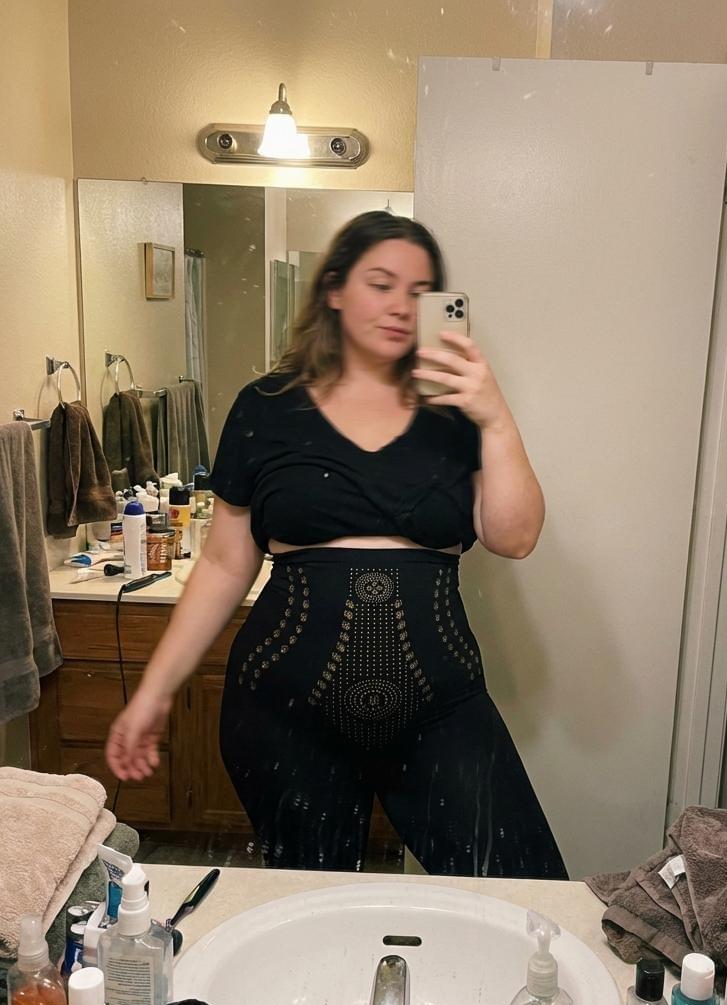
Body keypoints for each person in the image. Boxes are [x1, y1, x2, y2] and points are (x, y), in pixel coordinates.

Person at [105, 211, 567, 877]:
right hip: (284, 714)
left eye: (419, 291)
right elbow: (225, 564)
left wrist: (494, 416)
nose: (401, 305)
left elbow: (515, 538)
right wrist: (156, 689)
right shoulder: (266, 406)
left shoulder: (458, 411)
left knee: (523, 891)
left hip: (439, 710)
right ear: (334, 289)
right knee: (312, 903)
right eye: (381, 284)